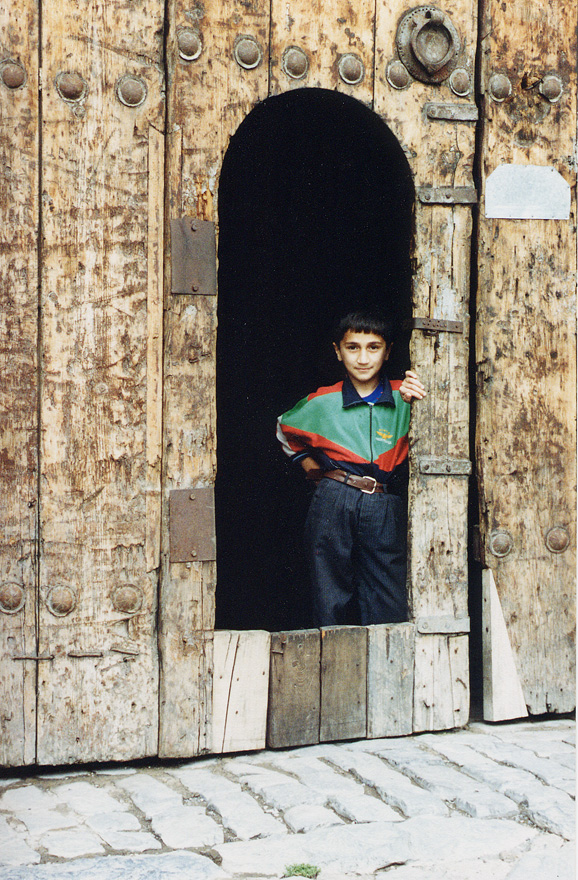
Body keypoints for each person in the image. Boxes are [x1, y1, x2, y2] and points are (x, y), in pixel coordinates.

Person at [276, 311, 425, 626]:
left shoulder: (405, 396)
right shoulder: (322, 401)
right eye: (352, 347)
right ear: (337, 351)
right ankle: (333, 665)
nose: (362, 358)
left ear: (387, 352)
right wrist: (313, 471)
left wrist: (419, 395)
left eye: (373, 347)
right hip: (334, 498)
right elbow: (284, 429)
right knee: (330, 589)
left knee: (387, 594)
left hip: (384, 502)